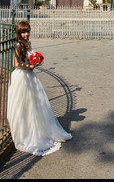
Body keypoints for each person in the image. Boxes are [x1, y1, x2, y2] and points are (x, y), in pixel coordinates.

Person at [7, 20, 72, 156]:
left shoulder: (28, 44)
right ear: (19, 33)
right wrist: (29, 66)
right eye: (23, 32)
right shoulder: (18, 45)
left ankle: (33, 127)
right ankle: (22, 130)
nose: (26, 34)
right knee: (21, 103)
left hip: (30, 76)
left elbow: (29, 58)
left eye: (27, 31)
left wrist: (35, 62)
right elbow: (15, 63)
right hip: (21, 76)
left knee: (34, 103)